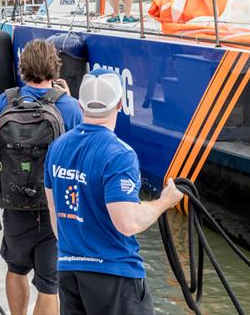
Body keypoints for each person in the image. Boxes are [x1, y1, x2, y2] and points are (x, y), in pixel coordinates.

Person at [44, 68, 184, 315]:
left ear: (80, 104)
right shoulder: (119, 154)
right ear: (120, 104)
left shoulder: (57, 147)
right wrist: (164, 202)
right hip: (114, 274)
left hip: (69, 270)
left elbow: (55, 215)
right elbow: (127, 223)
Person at [0, 39, 83, 315]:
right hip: (53, 205)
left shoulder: (4, 101)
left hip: (13, 200)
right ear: (55, 69)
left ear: (23, 68)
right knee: (49, 284)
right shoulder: (69, 107)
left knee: (15, 268)